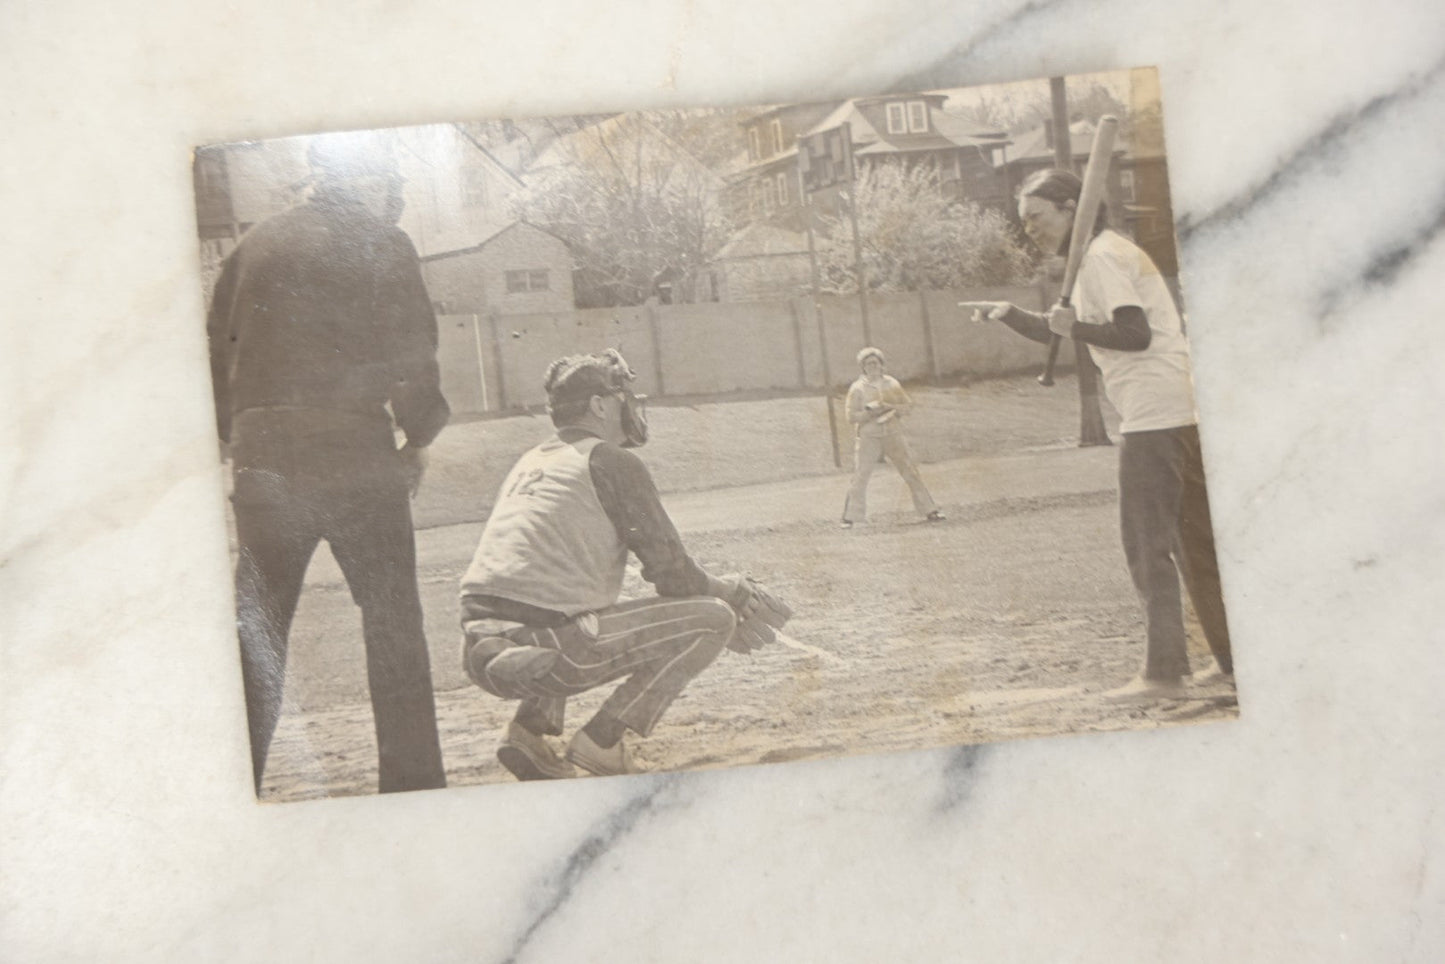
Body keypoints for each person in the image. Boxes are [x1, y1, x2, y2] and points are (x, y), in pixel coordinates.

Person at [207, 130, 449, 794]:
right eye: (389, 179)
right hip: (351, 452)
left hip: (260, 457)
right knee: (393, 624)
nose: (396, 193)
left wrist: (242, 437)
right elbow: (412, 357)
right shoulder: (382, 242)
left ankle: (235, 789)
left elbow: (214, 354)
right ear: (361, 180)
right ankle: (412, 790)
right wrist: (418, 438)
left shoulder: (251, 246)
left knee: (256, 629)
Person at [961, 167, 1232, 701]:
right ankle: (1231, 662)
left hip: (1152, 415)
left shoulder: (1101, 258)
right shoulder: (1106, 252)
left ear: (1070, 209)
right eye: (1024, 221)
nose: (1030, 229)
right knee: (1195, 545)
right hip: (1181, 406)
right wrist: (1010, 314)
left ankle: (1163, 674)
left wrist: (1076, 328)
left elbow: (1134, 333)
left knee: (1146, 545)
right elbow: (1070, 327)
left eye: (1037, 217)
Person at [459, 349, 791, 780]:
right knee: (714, 618)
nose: (629, 404)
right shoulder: (611, 461)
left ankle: (528, 730)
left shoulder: (533, 460)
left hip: (480, 647)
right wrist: (731, 590)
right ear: (599, 406)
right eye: (621, 396)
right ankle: (602, 741)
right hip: (547, 652)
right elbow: (673, 576)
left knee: (567, 598)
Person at [840, 347, 945, 529]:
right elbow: (850, 417)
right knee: (861, 475)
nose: (872, 367)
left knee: (909, 470)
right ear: (863, 367)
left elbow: (907, 406)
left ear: (882, 365)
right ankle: (849, 517)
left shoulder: (891, 383)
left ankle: (930, 510)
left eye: (875, 363)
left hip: (892, 433)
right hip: (869, 436)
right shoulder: (857, 388)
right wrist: (869, 413)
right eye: (868, 364)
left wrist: (890, 407)